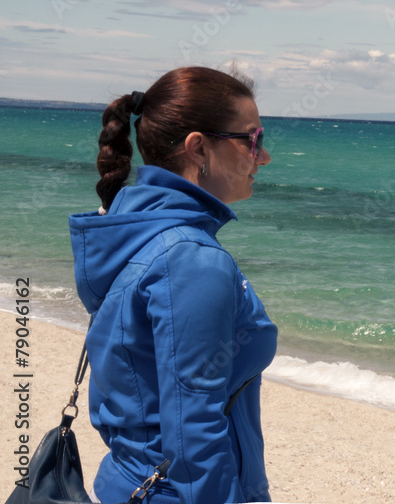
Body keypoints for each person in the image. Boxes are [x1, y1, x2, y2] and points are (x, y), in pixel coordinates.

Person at [69, 66, 278, 503]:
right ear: (198, 148)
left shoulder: (131, 229)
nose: (263, 157)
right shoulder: (191, 258)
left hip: (129, 483)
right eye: (253, 139)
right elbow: (194, 428)